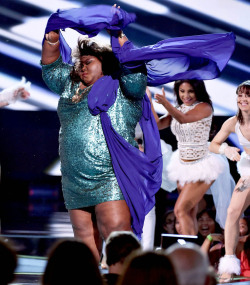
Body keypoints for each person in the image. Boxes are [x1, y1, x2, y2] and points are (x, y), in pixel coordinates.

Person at [41, 5, 163, 262]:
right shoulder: (70, 83)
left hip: (111, 177)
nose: (81, 67)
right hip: (74, 177)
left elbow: (136, 73)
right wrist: (52, 35)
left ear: (105, 64)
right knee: (84, 244)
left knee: (118, 242)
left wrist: (117, 32)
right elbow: (51, 67)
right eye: (79, 63)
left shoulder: (123, 85)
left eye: (88, 62)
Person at [148, 80, 227, 236]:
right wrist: (148, 99)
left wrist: (165, 103)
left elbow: (183, 119)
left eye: (190, 91)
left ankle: (188, 250)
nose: (186, 95)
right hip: (182, 164)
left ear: (198, 91)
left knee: (180, 209)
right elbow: (157, 125)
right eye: (182, 91)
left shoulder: (204, 107)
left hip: (202, 162)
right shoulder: (178, 109)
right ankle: (191, 250)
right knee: (189, 212)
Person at [209, 80, 250, 282]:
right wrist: (226, 149)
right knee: (232, 212)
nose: (243, 99)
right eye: (241, 95)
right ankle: (229, 264)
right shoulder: (233, 122)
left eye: (248, 95)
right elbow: (213, 145)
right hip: (249, 172)